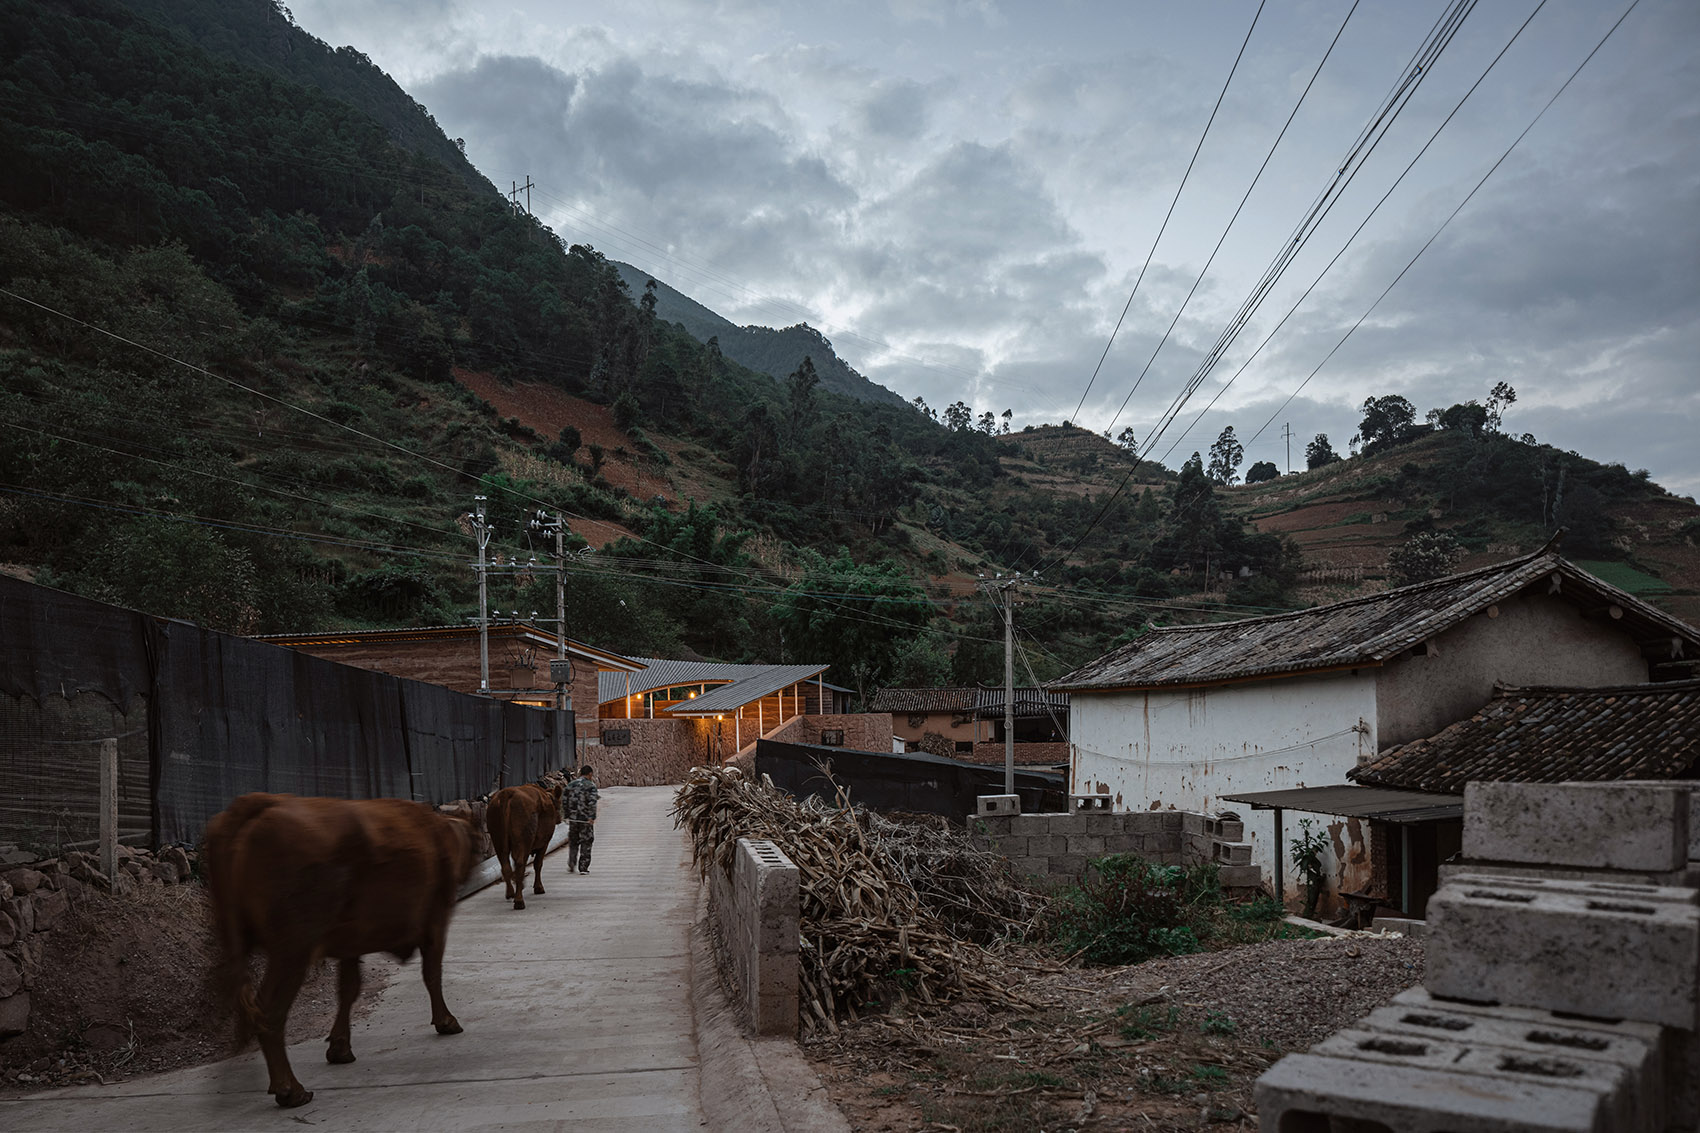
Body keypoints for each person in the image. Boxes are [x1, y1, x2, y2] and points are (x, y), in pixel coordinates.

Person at [564, 764, 598, 874]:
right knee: (587, 841)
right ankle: (583, 867)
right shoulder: (591, 786)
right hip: (585, 819)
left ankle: (572, 862)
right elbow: (592, 802)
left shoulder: (570, 785)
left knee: (573, 840)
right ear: (590, 774)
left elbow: (564, 800)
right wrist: (591, 817)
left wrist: (567, 814)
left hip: (573, 819)